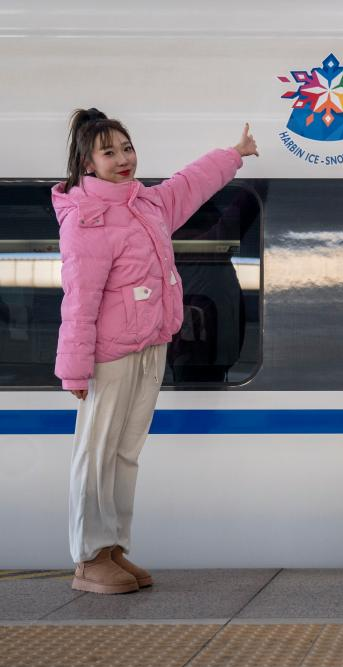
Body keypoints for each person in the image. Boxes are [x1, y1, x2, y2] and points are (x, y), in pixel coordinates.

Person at [53, 108, 258, 594]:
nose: (123, 159)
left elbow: (190, 184)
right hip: (108, 356)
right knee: (96, 454)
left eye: (127, 148)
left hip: (151, 346)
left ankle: (114, 548)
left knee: (126, 453)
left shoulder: (147, 205)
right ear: (87, 163)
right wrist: (75, 370)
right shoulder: (86, 219)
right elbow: (78, 301)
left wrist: (234, 155)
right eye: (109, 152)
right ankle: (88, 558)